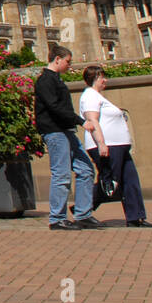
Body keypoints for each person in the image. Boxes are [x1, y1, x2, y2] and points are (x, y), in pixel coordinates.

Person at [36, 45, 103, 230]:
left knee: (86, 169)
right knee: (61, 174)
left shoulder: (56, 80)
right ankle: (57, 218)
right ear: (57, 59)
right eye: (67, 61)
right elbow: (54, 107)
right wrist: (81, 121)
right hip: (54, 131)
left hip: (66, 130)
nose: (69, 65)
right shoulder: (45, 81)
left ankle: (83, 214)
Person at [81, 66, 152, 227]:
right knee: (110, 183)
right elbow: (92, 121)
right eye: (102, 77)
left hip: (119, 146)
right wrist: (101, 144)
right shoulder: (90, 96)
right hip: (108, 146)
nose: (105, 80)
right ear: (94, 79)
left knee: (130, 179)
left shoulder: (99, 97)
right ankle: (82, 209)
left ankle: (136, 217)